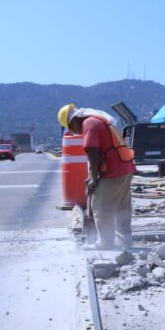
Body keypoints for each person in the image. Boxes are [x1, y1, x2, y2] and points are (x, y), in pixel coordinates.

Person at [58, 103, 136, 249]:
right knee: (121, 206)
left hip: (114, 171)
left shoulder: (89, 123)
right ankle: (124, 240)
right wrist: (92, 174)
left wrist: (93, 177)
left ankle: (105, 243)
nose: (75, 132)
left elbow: (93, 151)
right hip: (125, 167)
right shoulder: (99, 120)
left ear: (74, 121)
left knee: (100, 204)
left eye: (71, 128)